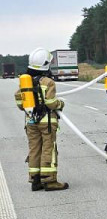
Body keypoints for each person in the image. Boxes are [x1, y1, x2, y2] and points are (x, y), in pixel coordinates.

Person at [15, 48, 69, 191]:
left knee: (34, 149)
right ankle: (50, 180)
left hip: (30, 122)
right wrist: (61, 103)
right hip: (47, 122)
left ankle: (35, 179)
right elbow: (51, 103)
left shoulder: (25, 82)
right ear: (45, 65)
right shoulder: (48, 82)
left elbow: (20, 104)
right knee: (48, 149)